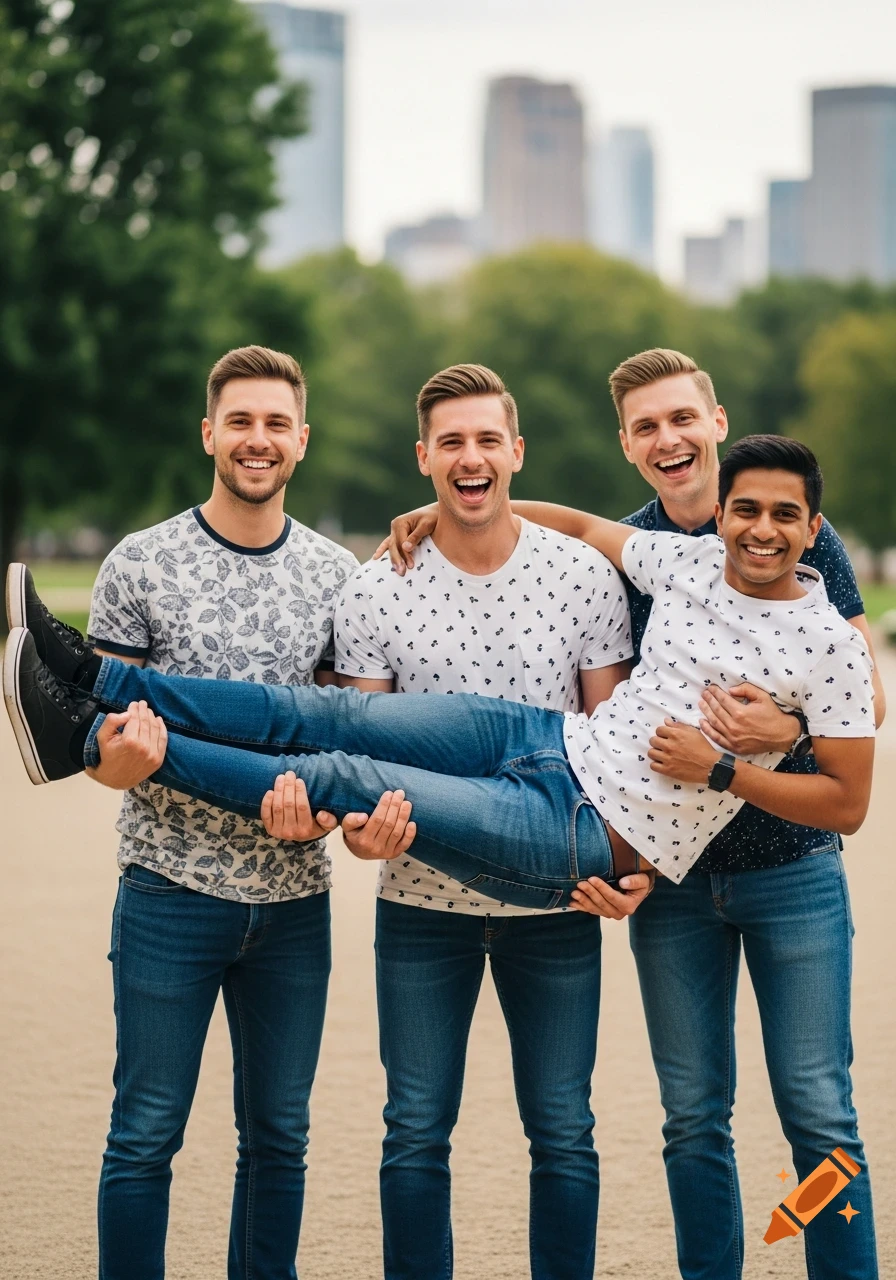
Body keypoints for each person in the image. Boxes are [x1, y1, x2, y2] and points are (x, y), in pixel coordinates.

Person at [384, 348, 886, 1280]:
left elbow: (864, 698)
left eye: (681, 420)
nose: (669, 440)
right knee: (693, 1115)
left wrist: (777, 727)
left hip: (794, 869)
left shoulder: (801, 536)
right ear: (627, 443)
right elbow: (608, 711)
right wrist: (448, 507)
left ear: (717, 422)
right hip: (677, 880)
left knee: (821, 1111)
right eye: (647, 427)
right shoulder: (631, 556)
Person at [5, 436, 875, 919]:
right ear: (723, 513)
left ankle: (78, 734)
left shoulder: (829, 644)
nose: (762, 529)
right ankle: (90, 673)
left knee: (347, 778)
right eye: (748, 510)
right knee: (327, 714)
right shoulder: (684, 560)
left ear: (814, 527)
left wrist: (725, 771)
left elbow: (848, 804)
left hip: (584, 828)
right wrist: (448, 507)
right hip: (546, 740)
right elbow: (574, 518)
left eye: (784, 515)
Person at [3, 345, 411, 1280]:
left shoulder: (336, 576)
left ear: (301, 441)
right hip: (167, 893)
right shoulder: (138, 563)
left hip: (292, 901)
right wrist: (114, 760)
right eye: (240, 421)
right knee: (144, 1135)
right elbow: (106, 755)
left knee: (279, 1141)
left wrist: (315, 820)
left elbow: (336, 738)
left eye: (275, 424)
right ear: (209, 434)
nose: (257, 440)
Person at [280, 363, 642, 1280]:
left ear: (516, 453)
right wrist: (362, 836)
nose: (470, 456)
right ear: (424, 459)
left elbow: (612, 753)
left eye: (488, 439)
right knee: (413, 1131)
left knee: (563, 1129)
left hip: (555, 903)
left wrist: (630, 862)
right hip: (419, 903)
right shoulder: (375, 590)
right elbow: (359, 754)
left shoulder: (582, 578)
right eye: (452, 441)